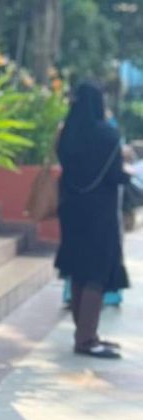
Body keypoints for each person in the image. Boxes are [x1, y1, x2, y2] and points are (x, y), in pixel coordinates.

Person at [55, 82, 131, 359]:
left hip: (71, 209)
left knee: (78, 269)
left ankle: (83, 334)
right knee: (96, 273)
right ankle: (87, 339)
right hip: (100, 212)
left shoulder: (67, 134)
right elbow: (114, 175)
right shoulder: (107, 134)